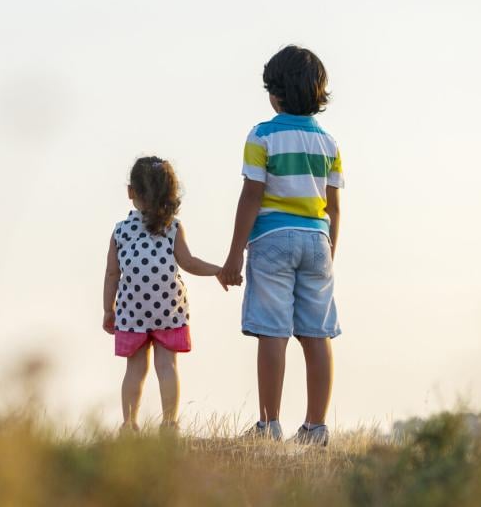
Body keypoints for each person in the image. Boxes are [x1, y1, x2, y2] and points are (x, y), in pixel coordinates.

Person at [218, 45, 344, 446]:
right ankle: (315, 427)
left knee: (272, 332)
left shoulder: (262, 135)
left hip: (272, 238)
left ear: (274, 93)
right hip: (317, 240)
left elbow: (251, 196)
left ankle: (269, 424)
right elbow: (334, 207)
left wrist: (235, 252)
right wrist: (329, 253)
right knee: (316, 333)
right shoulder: (329, 144)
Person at [103, 156, 225, 432]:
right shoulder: (172, 227)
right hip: (167, 305)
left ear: (131, 192)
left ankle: (129, 424)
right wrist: (217, 270)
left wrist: (108, 309)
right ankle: (169, 422)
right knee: (166, 365)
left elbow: (112, 274)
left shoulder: (121, 231)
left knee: (135, 369)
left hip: (132, 309)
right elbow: (189, 262)